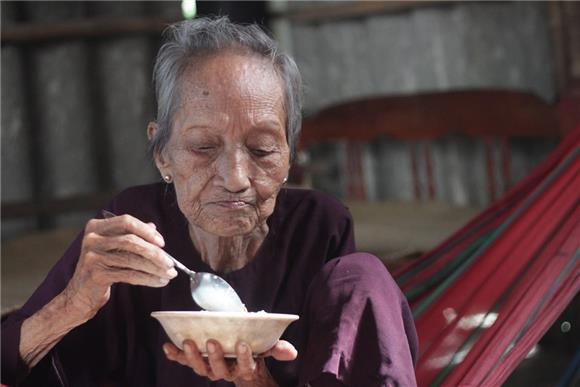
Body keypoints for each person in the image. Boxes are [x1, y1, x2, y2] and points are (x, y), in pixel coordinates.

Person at [1, 17, 417, 387]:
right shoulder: (130, 231)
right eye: (202, 147)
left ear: (289, 154)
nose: (235, 179)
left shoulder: (320, 228)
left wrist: (256, 380)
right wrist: (73, 302)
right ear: (162, 152)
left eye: (261, 149)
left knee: (365, 275)